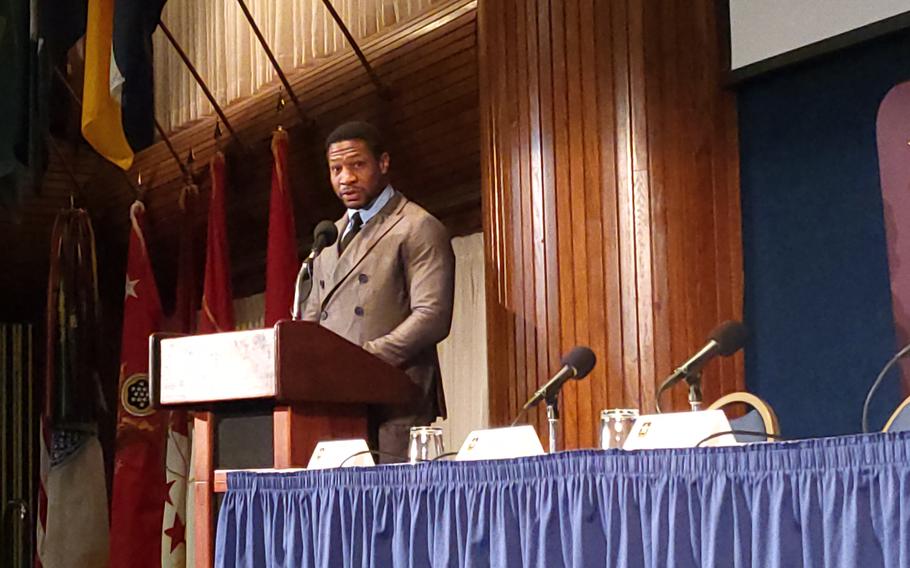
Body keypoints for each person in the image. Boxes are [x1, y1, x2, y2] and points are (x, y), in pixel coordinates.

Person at [302, 121, 455, 461]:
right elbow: (311, 320)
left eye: (357, 165)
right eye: (336, 169)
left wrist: (365, 359)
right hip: (334, 401)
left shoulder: (417, 226)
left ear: (383, 163)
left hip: (396, 401)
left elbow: (432, 317)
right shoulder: (328, 238)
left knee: (394, 509)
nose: (346, 178)